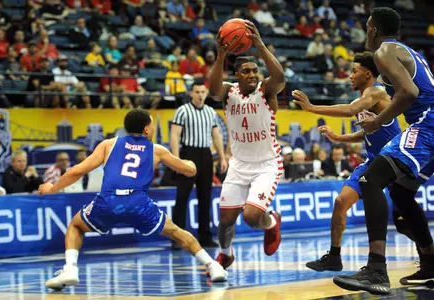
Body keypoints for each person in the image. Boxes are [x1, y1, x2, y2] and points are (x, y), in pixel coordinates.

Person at [333, 7, 434, 295]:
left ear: (373, 29)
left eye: (367, 27)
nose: (366, 32)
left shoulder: (383, 52)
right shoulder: (406, 51)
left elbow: (409, 93)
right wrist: (372, 119)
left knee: (370, 180)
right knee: (401, 193)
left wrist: (377, 121)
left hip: (432, 122)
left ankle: (376, 269)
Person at [39, 109, 228, 290]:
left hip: (108, 202)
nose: (153, 129)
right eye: (152, 126)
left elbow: (77, 170)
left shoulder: (108, 144)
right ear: (146, 129)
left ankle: (70, 268)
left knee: (76, 225)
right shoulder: (156, 150)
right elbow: (190, 171)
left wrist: (52, 187)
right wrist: (191, 162)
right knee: (176, 232)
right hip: (138, 204)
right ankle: (212, 266)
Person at [292, 51, 409, 272]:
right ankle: (334, 256)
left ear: (367, 73)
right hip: (373, 161)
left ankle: (426, 255)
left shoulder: (377, 93)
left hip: (393, 161)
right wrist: (338, 138)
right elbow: (366, 133)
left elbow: (350, 110)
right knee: (340, 202)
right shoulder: (363, 100)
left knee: (403, 219)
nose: (350, 75)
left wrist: (311, 108)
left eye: (354, 71)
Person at [208, 20, 285, 270]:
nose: (252, 74)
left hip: (266, 164)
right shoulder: (229, 92)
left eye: (255, 71)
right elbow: (213, 90)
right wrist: (221, 54)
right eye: (246, 71)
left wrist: (260, 45)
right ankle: (226, 254)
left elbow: (280, 77)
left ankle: (271, 223)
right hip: (239, 164)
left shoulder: (266, 91)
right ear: (237, 76)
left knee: (252, 217)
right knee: (225, 220)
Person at [169, 81, 227, 248]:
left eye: (203, 91)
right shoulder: (182, 111)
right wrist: (176, 160)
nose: (200, 95)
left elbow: (216, 136)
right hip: (189, 154)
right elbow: (175, 136)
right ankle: (177, 238)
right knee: (182, 197)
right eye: (197, 92)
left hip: (205, 155)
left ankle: (205, 237)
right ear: (191, 93)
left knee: (205, 197)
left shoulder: (210, 112)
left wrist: (222, 157)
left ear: (206, 93)